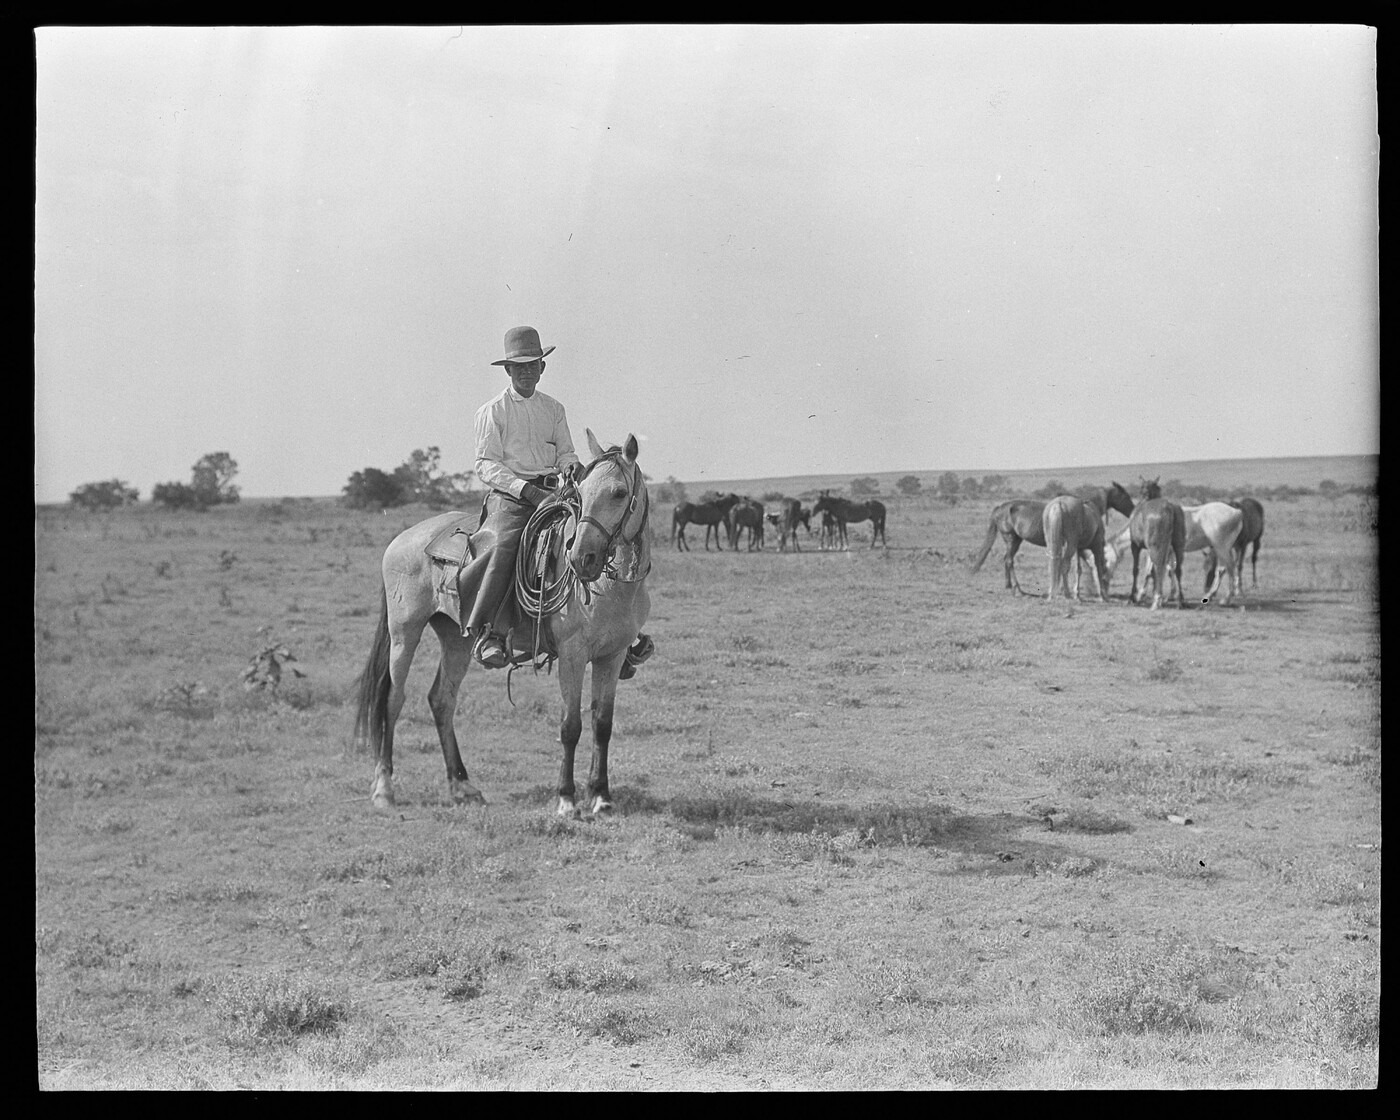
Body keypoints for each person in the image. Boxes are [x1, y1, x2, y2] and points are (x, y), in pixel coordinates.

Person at [464, 326, 582, 668]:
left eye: (533, 365)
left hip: (553, 491)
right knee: (503, 545)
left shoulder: (554, 408)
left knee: (595, 531)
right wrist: (524, 488)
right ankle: (491, 632)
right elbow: (486, 465)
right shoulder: (494, 411)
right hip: (511, 496)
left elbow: (566, 453)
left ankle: (615, 629)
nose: (527, 372)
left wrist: (571, 467)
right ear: (508, 371)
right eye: (520, 366)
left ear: (543, 368)